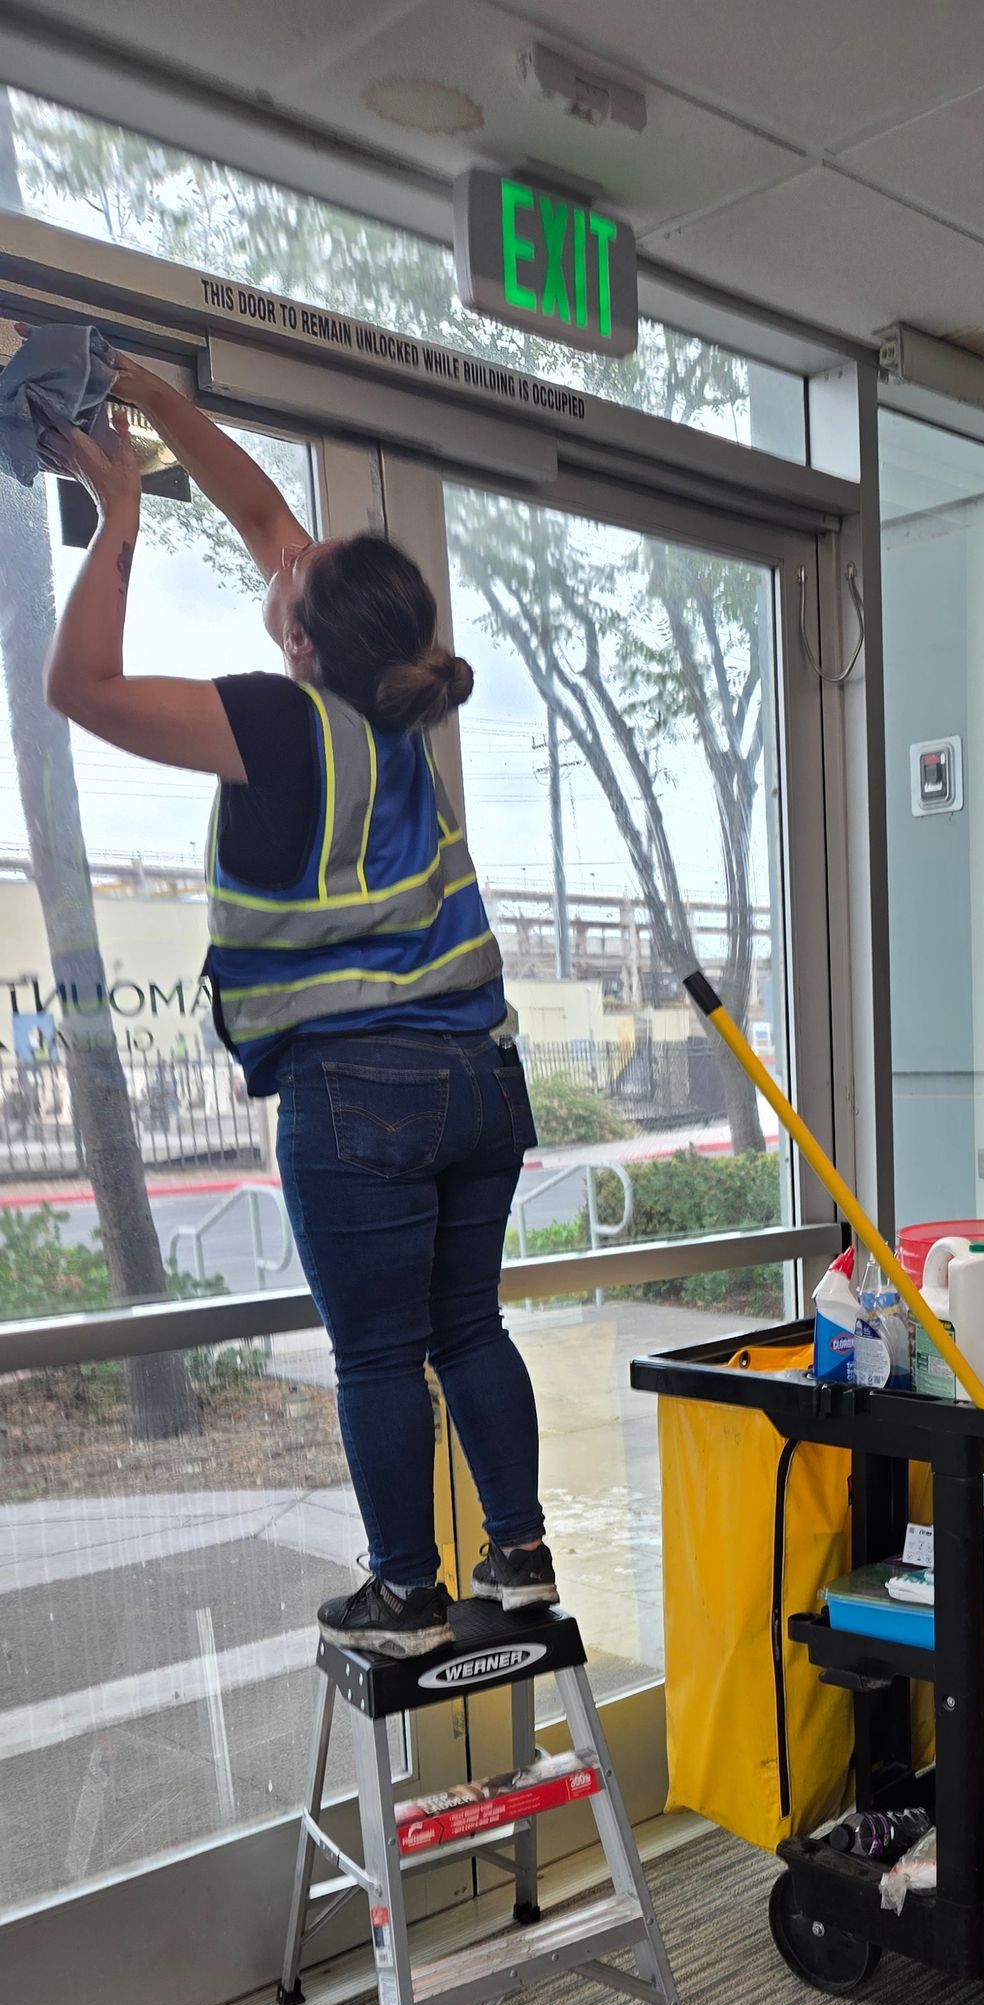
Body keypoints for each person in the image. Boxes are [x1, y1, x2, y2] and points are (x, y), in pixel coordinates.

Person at [44, 357, 556, 1656]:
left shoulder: (279, 721)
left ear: (301, 636)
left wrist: (118, 515)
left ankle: (407, 1589)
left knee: (383, 1356)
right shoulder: (398, 718)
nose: (282, 558)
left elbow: (83, 690)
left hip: (360, 1093)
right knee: (469, 1328)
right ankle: (520, 1556)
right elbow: (276, 528)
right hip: (481, 1080)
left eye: (291, 584)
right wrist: (160, 406)